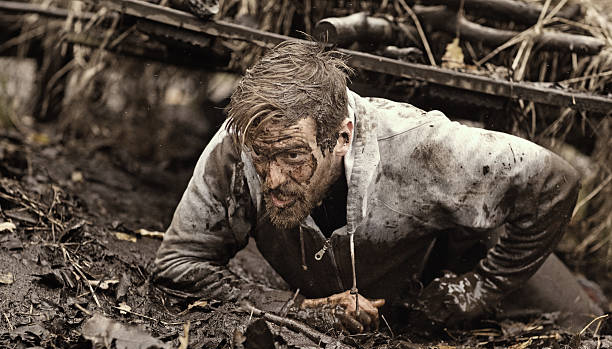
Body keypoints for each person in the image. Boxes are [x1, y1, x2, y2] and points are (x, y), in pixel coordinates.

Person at [153, 40, 603, 334]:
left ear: (342, 138)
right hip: (364, 293)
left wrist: (478, 289)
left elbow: (555, 181)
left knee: (585, 328)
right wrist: (297, 308)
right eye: (260, 156)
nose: (271, 179)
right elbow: (175, 261)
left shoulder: (422, 145)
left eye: (292, 156)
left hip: (461, 256)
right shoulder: (236, 147)